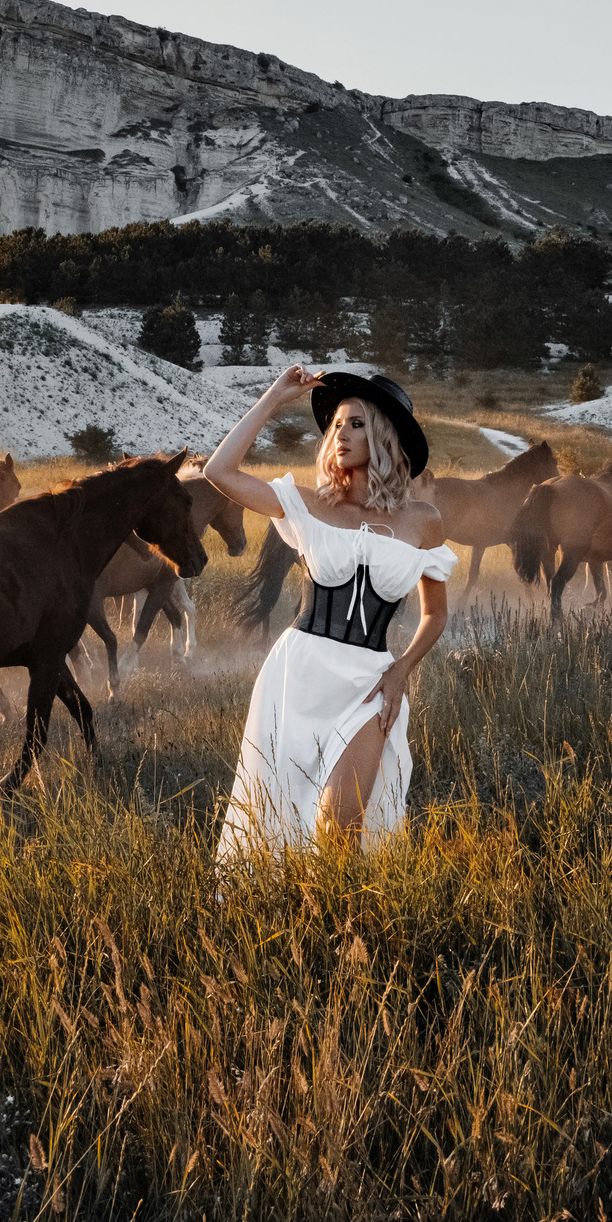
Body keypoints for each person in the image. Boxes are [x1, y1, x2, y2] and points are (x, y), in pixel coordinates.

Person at [200, 365, 455, 855]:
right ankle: (309, 925)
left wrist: (402, 670)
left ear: (384, 436)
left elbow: (434, 614)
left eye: (356, 424)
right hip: (299, 676)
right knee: (279, 821)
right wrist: (274, 399)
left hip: (371, 683)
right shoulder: (307, 504)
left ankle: (344, 925)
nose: (341, 434)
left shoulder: (423, 522)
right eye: (337, 425)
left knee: (340, 833)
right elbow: (219, 472)